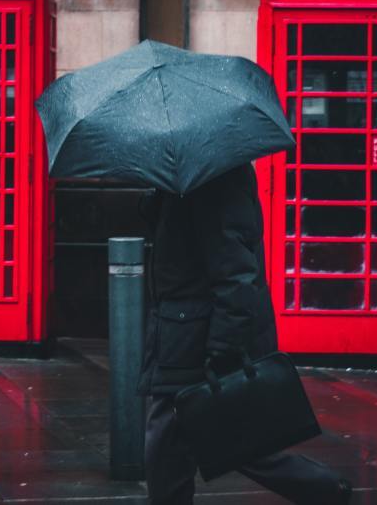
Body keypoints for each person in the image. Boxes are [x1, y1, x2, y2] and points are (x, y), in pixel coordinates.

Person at [137, 163, 352, 504]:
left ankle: (325, 489)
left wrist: (222, 350)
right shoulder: (185, 176)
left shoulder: (214, 177)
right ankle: (325, 490)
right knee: (230, 442)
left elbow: (237, 275)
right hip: (182, 332)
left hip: (197, 338)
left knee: (169, 445)